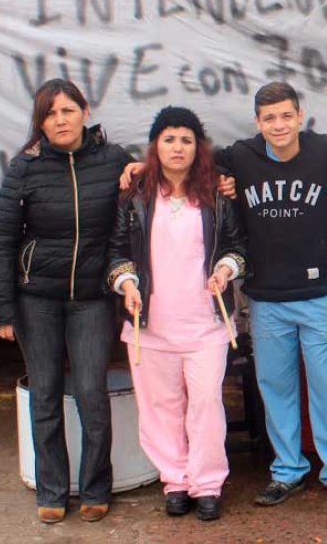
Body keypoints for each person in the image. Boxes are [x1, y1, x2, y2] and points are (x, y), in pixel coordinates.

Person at [213, 81, 327, 508]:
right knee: (276, 387)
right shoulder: (240, 157)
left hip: (320, 293)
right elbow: (189, 161)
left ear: (300, 116)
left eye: (286, 115)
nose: (279, 124)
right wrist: (136, 167)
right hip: (265, 298)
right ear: (257, 122)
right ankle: (287, 470)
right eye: (270, 118)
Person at [0, 79, 132, 524]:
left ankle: (95, 487)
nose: (60, 120)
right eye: (50, 114)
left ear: (85, 112)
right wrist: (3, 309)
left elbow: (157, 188)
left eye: (67, 110)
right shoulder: (24, 169)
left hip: (92, 298)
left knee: (92, 394)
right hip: (38, 300)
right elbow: (4, 240)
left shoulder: (113, 161)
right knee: (45, 396)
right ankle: (51, 489)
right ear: (41, 122)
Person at [107, 107, 247, 521]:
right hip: (151, 326)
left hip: (205, 324)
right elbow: (116, 252)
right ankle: (176, 480)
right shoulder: (134, 196)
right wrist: (127, 283)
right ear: (155, 146)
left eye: (186, 139)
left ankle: (207, 484)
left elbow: (237, 248)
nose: (177, 147)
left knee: (205, 404)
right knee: (161, 406)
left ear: (197, 147)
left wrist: (225, 270)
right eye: (168, 139)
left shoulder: (217, 196)